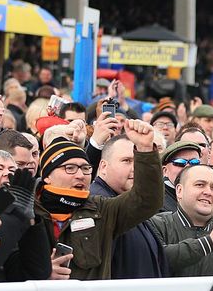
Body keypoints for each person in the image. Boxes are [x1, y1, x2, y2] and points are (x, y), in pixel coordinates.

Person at [36, 120, 164, 280]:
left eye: (85, 168)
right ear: (47, 176)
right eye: (70, 168)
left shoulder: (100, 210)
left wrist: (145, 150)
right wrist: (41, 272)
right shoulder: (28, 212)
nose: (80, 175)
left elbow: (146, 200)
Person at [89, 134, 168, 278]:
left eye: (137, 161)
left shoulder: (123, 200)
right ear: (103, 166)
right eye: (126, 161)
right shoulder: (98, 205)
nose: (135, 168)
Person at [149, 164, 213, 276]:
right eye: (200, 185)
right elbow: (155, 259)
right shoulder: (156, 225)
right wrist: (208, 243)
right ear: (179, 191)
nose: (208, 192)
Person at [0, 151, 50, 281]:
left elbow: (37, 273)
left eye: (12, 169)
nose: (7, 173)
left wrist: (30, 221)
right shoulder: (14, 220)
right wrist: (15, 214)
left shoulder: (18, 221)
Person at [159, 141, 203, 213]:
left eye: (194, 162)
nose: (188, 167)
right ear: (165, 171)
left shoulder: (209, 193)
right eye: (180, 162)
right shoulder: (156, 201)